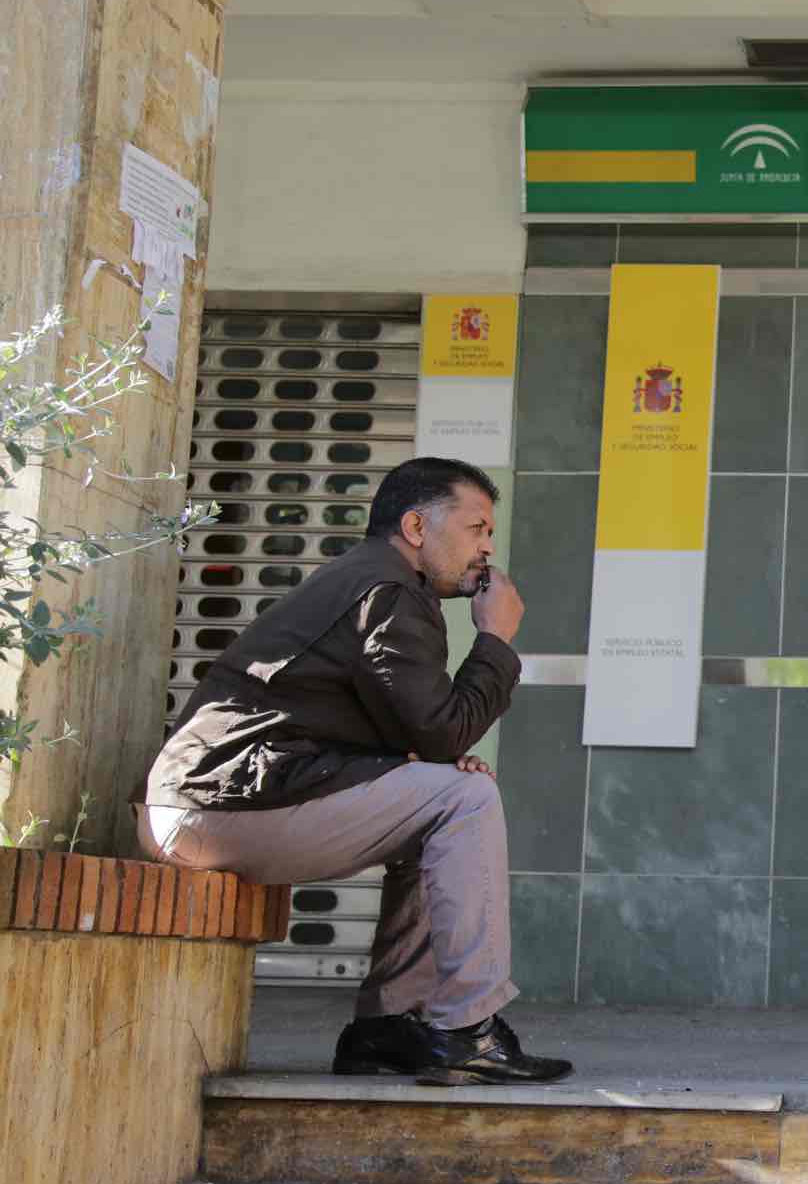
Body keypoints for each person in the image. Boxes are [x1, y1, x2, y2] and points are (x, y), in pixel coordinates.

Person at [139, 456, 571, 1086]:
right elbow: (442, 727)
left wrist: (438, 761)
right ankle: (468, 1029)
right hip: (217, 805)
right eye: (477, 528)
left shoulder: (377, 581)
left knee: (451, 799)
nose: (487, 548)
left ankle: (387, 1029)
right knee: (466, 803)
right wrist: (496, 642)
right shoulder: (389, 590)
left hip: (221, 799)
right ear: (418, 527)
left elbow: (412, 730)